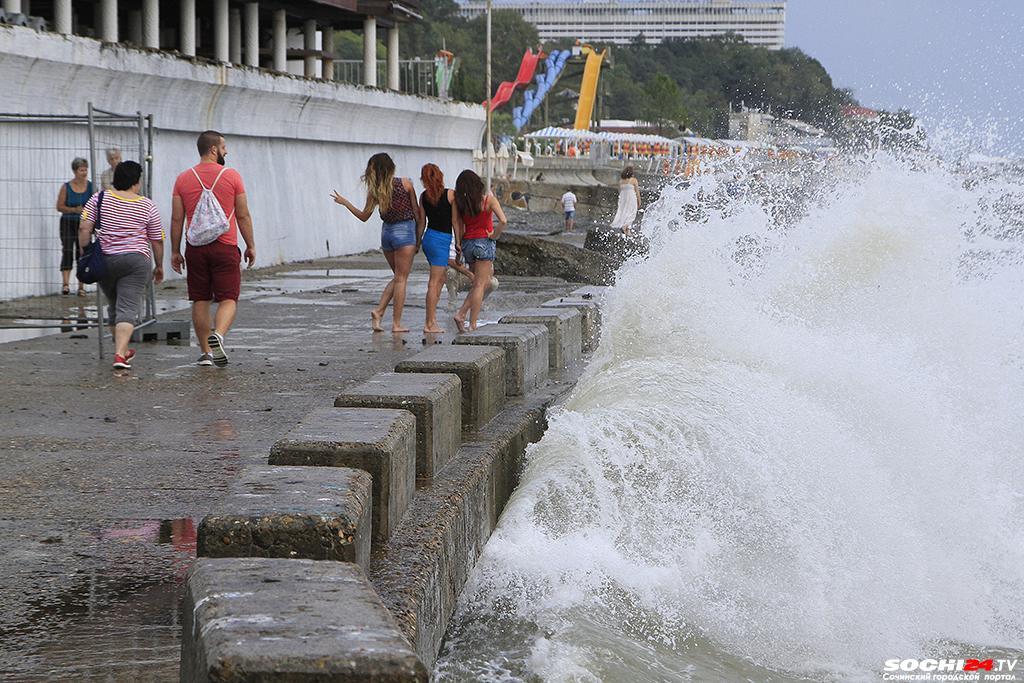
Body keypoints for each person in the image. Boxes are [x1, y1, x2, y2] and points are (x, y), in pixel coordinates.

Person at [170, 130, 256, 367]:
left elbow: (177, 219)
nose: (226, 151)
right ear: (213, 149)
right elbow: (243, 214)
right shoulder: (232, 176)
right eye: (223, 147)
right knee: (228, 297)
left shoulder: (183, 179)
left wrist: (175, 251)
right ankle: (218, 334)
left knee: (200, 299)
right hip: (225, 246)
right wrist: (250, 245)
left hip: (195, 247)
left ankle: (206, 353)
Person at [78, 161, 164, 370]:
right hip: (136, 261)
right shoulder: (147, 205)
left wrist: (85, 251)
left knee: (114, 306)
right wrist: (159, 265)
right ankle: (119, 354)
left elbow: (84, 226)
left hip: (105, 260)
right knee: (128, 307)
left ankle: (123, 351)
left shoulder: (99, 198)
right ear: (137, 181)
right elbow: (157, 239)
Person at [331, 153, 422, 333]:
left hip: (386, 233)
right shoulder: (406, 184)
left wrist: (346, 203)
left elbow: (364, 217)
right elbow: (417, 213)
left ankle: (378, 311)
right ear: (391, 167)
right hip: (404, 232)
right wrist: (419, 238)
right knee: (401, 278)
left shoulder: (375, 190)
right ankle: (396, 324)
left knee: (398, 277)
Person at [452, 170, 507, 332]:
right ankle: (472, 322)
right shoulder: (488, 200)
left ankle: (462, 314)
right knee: (480, 284)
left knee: (481, 282)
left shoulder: (460, 202)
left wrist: (458, 245)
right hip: (484, 242)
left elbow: (457, 223)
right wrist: (494, 235)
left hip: (468, 243)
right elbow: (503, 220)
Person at [418, 163, 456, 333]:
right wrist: (460, 241)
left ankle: (431, 319)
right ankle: (429, 323)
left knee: (439, 280)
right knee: (434, 282)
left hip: (429, 238)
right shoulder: (450, 195)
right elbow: (455, 222)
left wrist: (418, 241)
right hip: (441, 240)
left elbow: (422, 222)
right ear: (440, 176)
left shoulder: (423, 197)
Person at [55, 158, 93, 296]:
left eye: (85, 169)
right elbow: (59, 206)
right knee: (67, 251)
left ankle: (81, 286)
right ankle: (65, 285)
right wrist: (74, 210)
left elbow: (95, 205)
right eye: (81, 170)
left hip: (84, 224)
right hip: (68, 222)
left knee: (82, 252)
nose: (84, 172)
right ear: (75, 171)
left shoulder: (91, 187)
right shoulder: (66, 187)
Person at [611, 165, 641, 235]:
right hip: (631, 198)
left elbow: (620, 191)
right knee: (632, 213)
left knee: (624, 213)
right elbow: (637, 192)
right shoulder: (633, 180)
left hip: (623, 198)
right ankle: (625, 227)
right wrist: (639, 201)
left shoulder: (621, 181)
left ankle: (627, 230)